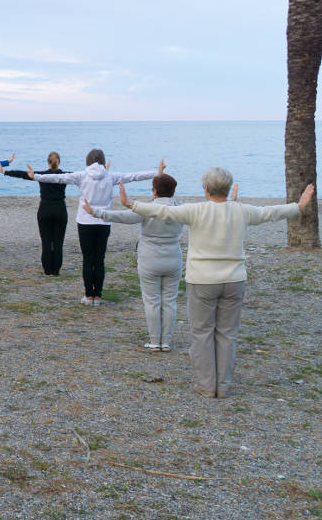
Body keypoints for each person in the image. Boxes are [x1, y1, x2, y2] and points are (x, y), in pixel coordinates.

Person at [121, 170, 315, 398]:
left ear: (206, 189)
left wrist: (131, 204)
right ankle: (222, 386)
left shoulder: (196, 210)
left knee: (202, 333)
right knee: (227, 334)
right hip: (234, 280)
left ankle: (206, 385)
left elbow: (163, 211)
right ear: (228, 187)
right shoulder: (241, 210)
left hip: (202, 280)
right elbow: (269, 213)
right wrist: (298, 206)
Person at [28, 150, 161, 305]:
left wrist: (36, 176)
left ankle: (88, 296)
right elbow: (134, 176)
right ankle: (97, 296)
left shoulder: (82, 175)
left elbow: (57, 177)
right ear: (103, 161)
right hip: (104, 222)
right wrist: (156, 173)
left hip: (85, 222)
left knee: (87, 259)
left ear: (87, 162)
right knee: (99, 259)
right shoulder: (110, 176)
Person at [82, 174, 183, 351]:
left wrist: (95, 212)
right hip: (173, 257)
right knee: (169, 301)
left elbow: (121, 216)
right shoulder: (181, 209)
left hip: (149, 258)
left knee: (151, 301)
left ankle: (154, 341)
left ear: (155, 191)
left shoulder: (146, 209)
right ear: (173, 191)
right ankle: (165, 342)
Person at [0, 152, 69, 276]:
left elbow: (22, 174)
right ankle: (56, 270)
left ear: (48, 163)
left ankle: (48, 270)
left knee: (46, 242)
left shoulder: (40, 175)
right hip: (60, 211)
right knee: (58, 242)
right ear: (59, 162)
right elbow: (85, 176)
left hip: (45, 211)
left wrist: (5, 172)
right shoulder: (65, 175)